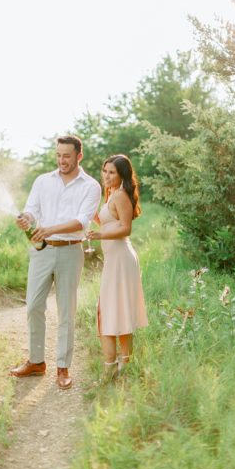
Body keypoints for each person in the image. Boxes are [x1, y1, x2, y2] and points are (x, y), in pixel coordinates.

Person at [9, 135, 101, 390]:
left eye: (67, 156)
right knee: (33, 306)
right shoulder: (42, 181)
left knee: (66, 311)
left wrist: (48, 229)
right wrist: (25, 218)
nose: (62, 160)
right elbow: (32, 209)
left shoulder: (91, 186)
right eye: (59, 155)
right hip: (42, 251)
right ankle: (37, 362)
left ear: (79, 156)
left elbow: (82, 222)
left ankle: (63, 367)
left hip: (71, 251)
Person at [86, 154, 148, 382]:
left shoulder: (121, 195)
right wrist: (93, 216)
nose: (106, 176)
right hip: (115, 260)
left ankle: (115, 367)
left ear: (122, 174)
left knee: (109, 311)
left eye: (111, 172)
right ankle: (120, 367)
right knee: (116, 310)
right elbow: (109, 223)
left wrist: (100, 234)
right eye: (105, 171)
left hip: (121, 259)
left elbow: (125, 228)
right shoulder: (111, 194)